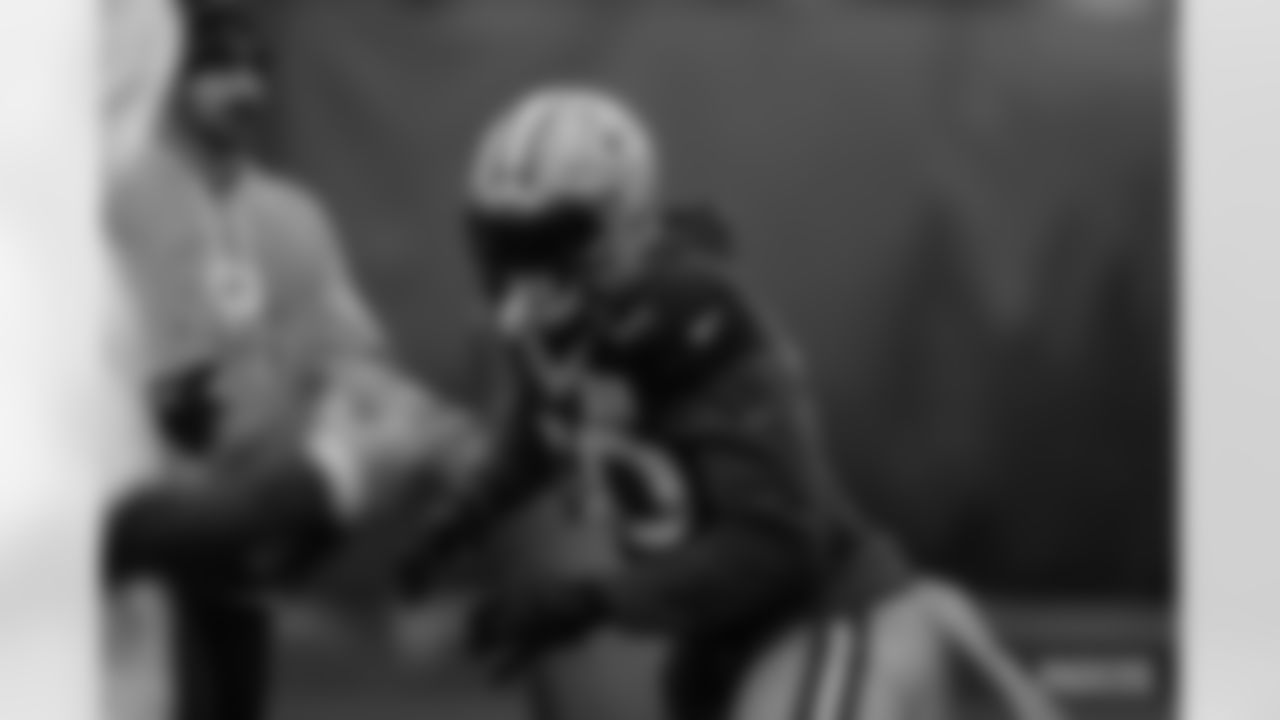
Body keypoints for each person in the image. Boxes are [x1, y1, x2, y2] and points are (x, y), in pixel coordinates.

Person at [392, 85, 920, 720]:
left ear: (632, 223)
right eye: (508, 243)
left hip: (826, 615)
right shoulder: (560, 324)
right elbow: (543, 430)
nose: (529, 276)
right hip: (713, 640)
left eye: (554, 238)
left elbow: (777, 541)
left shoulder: (692, 321)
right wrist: (460, 519)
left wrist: (590, 602)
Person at [102, 2, 480, 719]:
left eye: (257, 69)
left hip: (249, 536)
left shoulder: (290, 217)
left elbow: (350, 359)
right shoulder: (119, 196)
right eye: (220, 68)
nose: (244, 87)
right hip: (150, 533)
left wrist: (424, 429)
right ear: (172, 76)